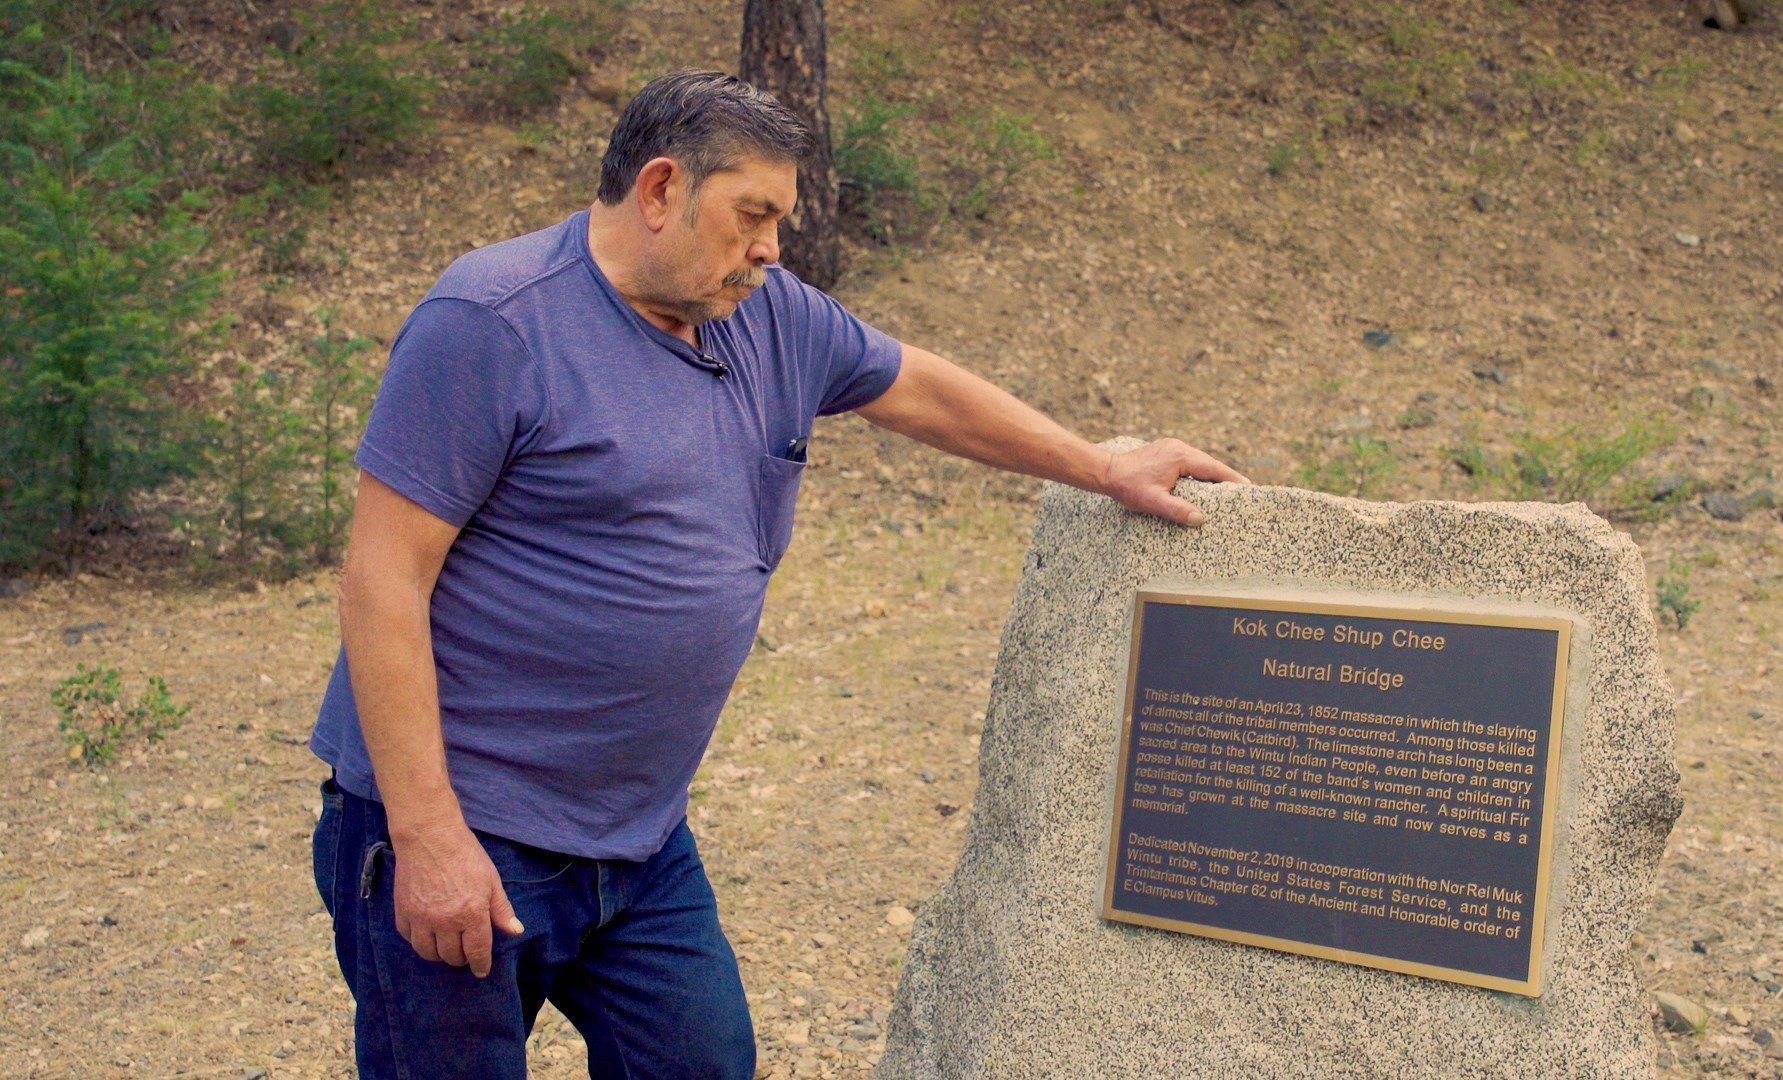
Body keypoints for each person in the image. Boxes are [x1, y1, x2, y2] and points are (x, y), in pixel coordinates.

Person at [308, 69, 1247, 1079]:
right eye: (753, 214)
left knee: (705, 1061)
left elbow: (920, 388)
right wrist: (428, 837)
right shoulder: (494, 322)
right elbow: (381, 580)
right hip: (468, 826)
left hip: (638, 839)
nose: (771, 247)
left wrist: (1105, 466)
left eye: (781, 222)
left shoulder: (766, 314)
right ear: (661, 189)